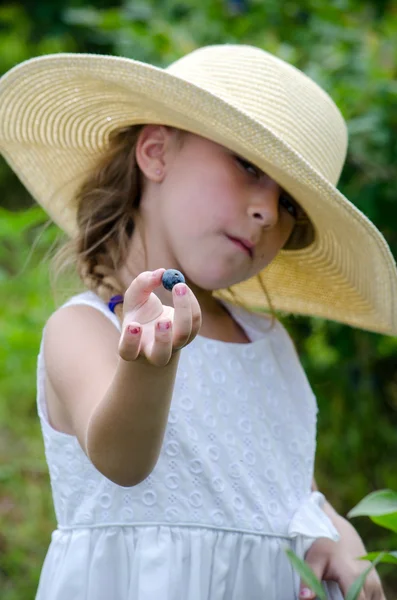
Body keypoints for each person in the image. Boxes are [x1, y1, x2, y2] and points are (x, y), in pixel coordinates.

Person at [0, 44, 394, 600]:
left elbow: (283, 487)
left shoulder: (268, 342)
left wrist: (333, 528)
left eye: (289, 206)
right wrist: (148, 365)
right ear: (156, 153)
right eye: (249, 166)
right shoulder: (86, 330)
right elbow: (123, 460)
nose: (266, 210)